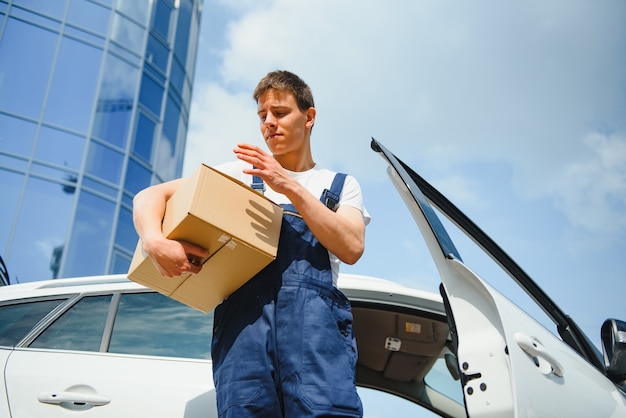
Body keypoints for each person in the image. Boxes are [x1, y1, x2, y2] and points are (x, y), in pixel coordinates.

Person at [132, 70, 370, 417]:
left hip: (316, 343)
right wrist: (153, 241)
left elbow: (351, 248)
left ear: (309, 117)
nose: (269, 123)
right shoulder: (238, 174)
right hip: (245, 340)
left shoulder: (338, 185)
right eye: (262, 116)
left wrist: (288, 186)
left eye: (279, 112)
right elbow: (149, 196)